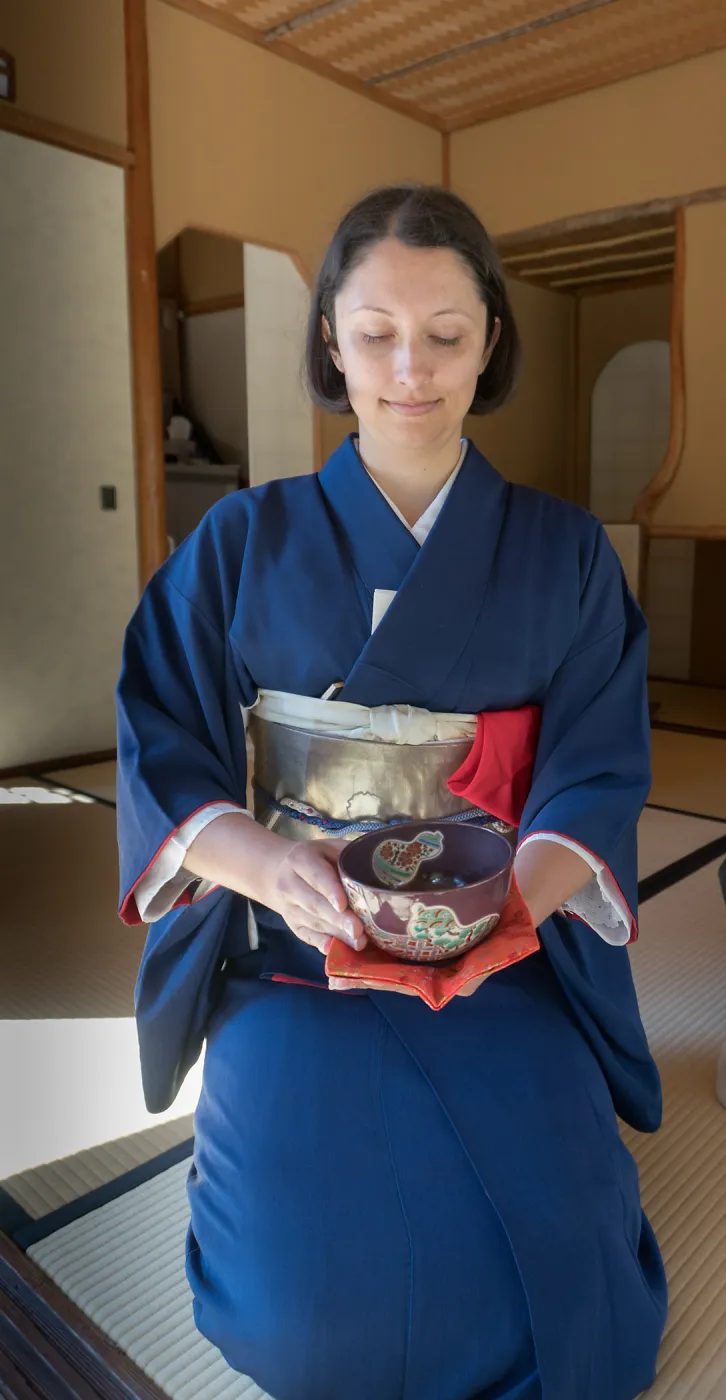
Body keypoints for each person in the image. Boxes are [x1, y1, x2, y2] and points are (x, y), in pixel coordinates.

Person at [116, 184, 667, 1400]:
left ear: (489, 342)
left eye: (446, 334)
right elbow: (162, 736)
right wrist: (269, 866)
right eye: (374, 334)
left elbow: (595, 763)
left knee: (573, 1298)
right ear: (331, 341)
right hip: (295, 957)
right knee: (312, 1319)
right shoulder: (241, 540)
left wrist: (508, 907)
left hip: (500, 953)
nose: (409, 369)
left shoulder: (568, 552)